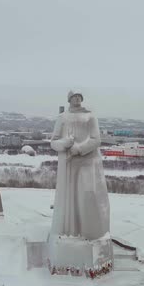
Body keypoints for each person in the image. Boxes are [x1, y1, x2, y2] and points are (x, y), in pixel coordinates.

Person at [50, 91, 110, 240]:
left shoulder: (90, 116)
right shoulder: (62, 118)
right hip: (69, 165)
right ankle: (71, 232)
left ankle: (90, 232)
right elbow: (53, 142)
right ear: (69, 99)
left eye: (79, 96)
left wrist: (78, 149)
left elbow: (96, 140)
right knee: (69, 200)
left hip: (88, 161)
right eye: (74, 97)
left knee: (88, 194)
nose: (77, 99)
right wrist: (64, 144)